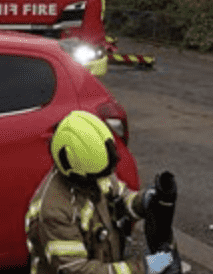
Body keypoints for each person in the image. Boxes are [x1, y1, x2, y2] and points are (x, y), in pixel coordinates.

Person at [25, 110, 180, 274]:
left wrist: (145, 201)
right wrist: (144, 268)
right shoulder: (53, 211)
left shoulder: (91, 172)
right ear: (74, 169)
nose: (104, 179)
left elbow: (120, 199)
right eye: (97, 176)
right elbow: (77, 270)